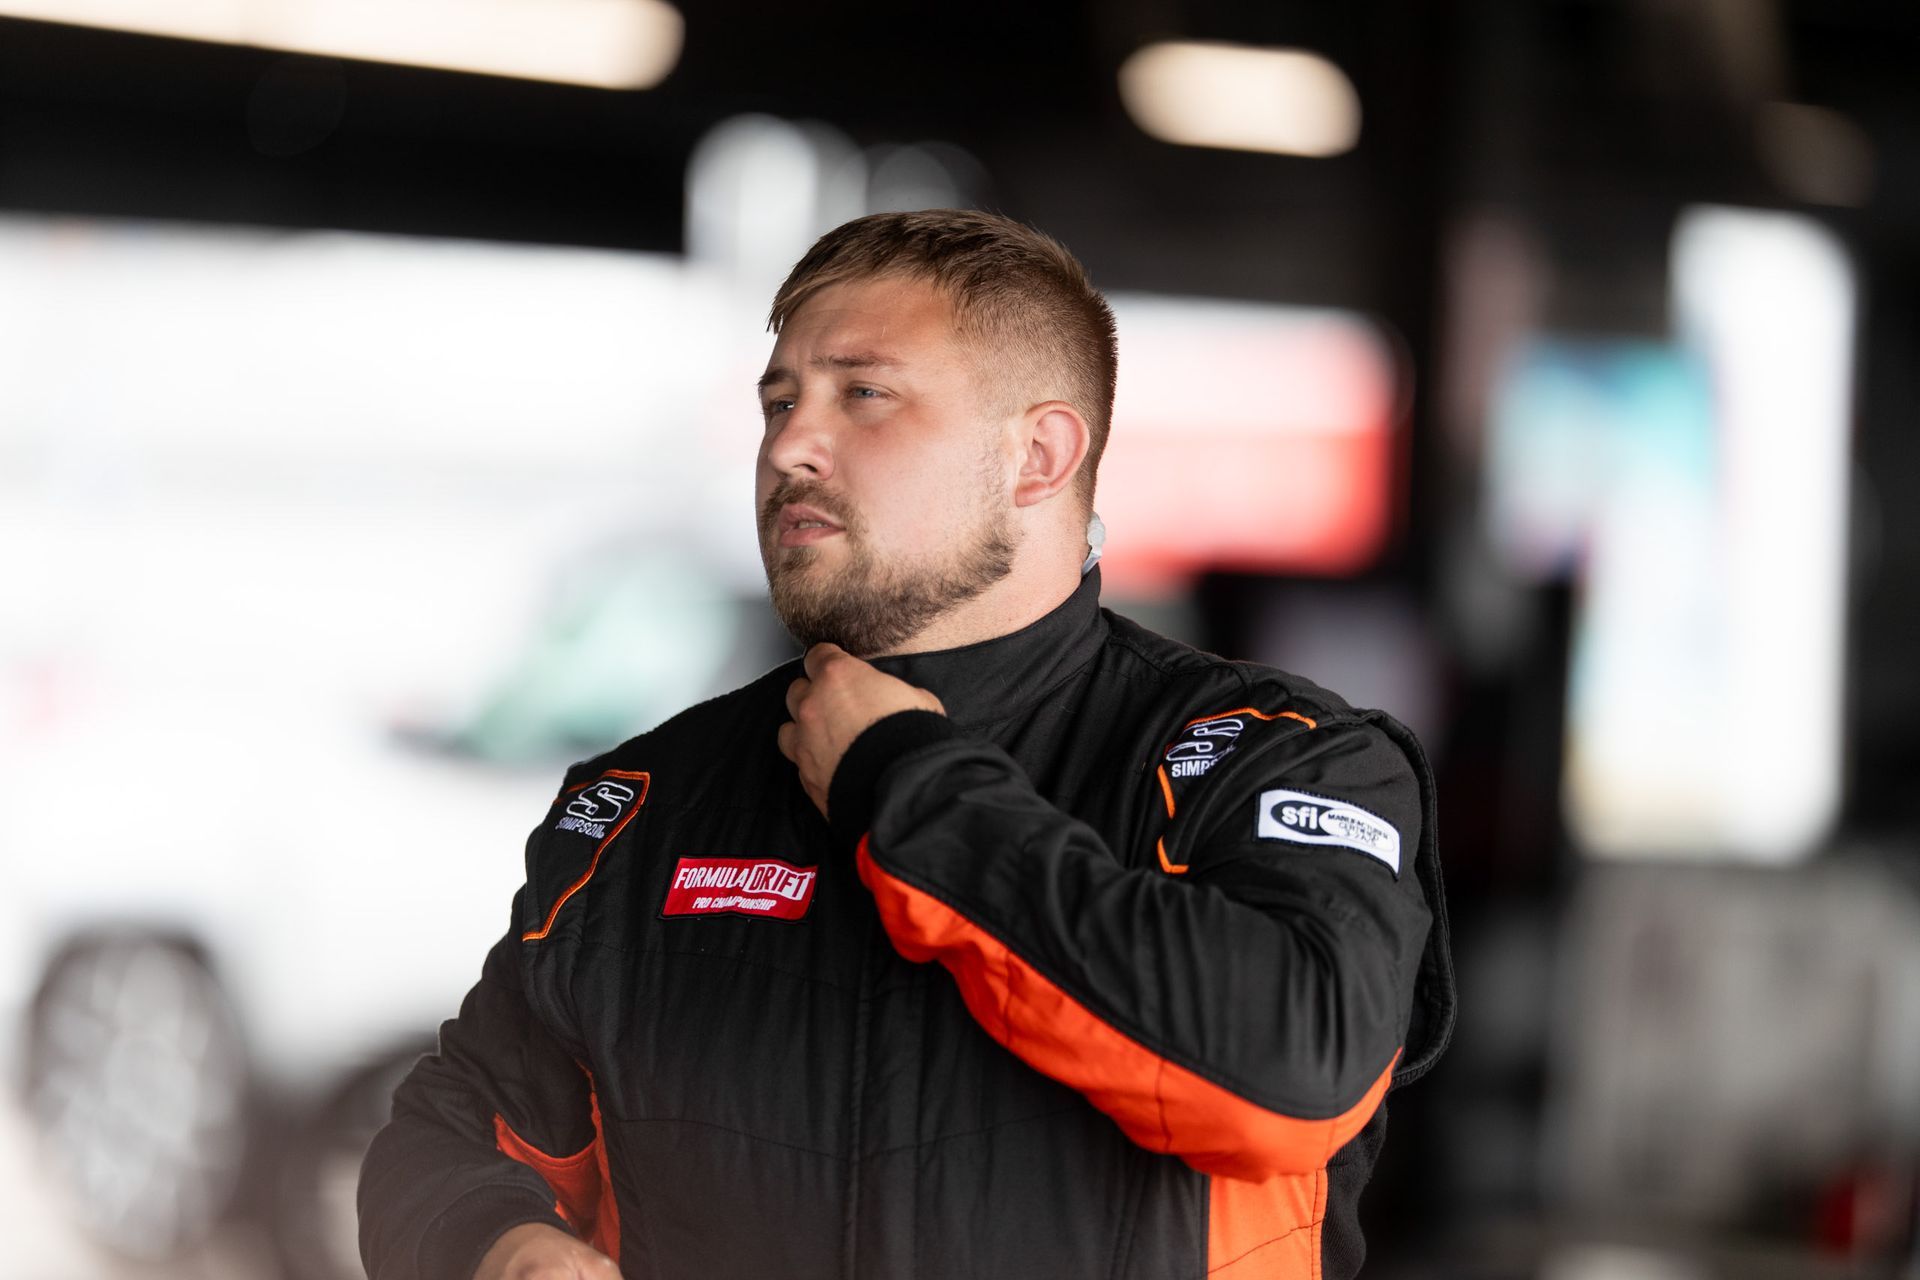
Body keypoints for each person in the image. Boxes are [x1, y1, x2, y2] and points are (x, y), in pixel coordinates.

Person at [358, 209, 1454, 1280]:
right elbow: (444, 1135)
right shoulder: (651, 801)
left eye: (863, 393)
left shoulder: (1279, 757)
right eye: (778, 399)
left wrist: (904, 786)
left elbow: (1293, 1069)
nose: (790, 442)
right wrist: (501, 1243)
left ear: (1037, 454)